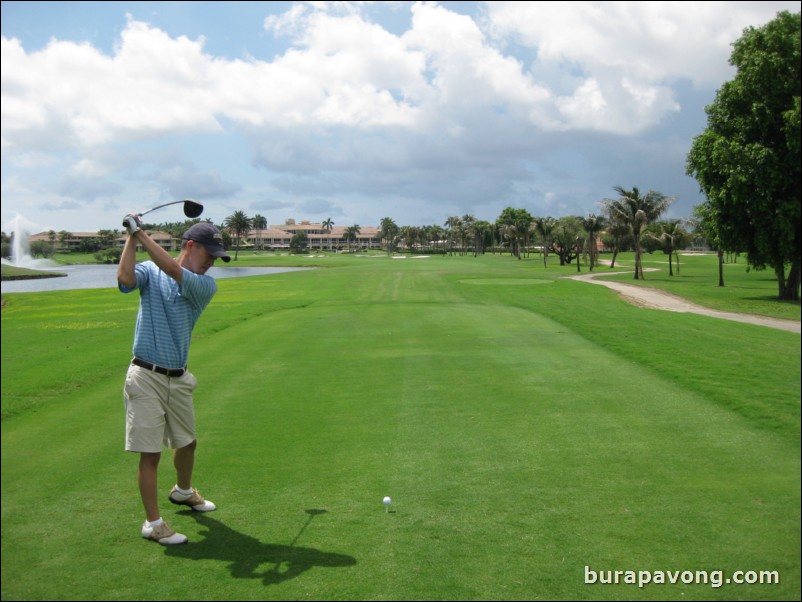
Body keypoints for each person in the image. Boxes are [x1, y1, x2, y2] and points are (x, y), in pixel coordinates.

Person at [118, 216, 230, 545]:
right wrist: (131, 237)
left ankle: (182, 492)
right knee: (150, 453)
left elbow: (171, 269)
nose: (211, 262)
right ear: (189, 246)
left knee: (188, 442)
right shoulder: (150, 271)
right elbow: (125, 279)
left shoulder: (203, 285)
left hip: (178, 378)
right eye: (208, 254)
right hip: (145, 376)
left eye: (215, 257)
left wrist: (139, 232)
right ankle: (153, 524)